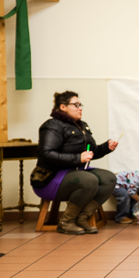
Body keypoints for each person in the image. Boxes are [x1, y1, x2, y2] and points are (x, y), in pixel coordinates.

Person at [30, 91, 117, 235]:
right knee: (89, 180)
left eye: (80, 105)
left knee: (109, 178)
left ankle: (82, 217)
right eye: (75, 105)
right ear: (63, 107)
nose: (80, 108)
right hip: (49, 179)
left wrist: (106, 147)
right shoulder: (52, 125)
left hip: (74, 174)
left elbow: (90, 153)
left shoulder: (82, 126)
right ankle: (66, 222)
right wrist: (77, 158)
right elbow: (46, 154)